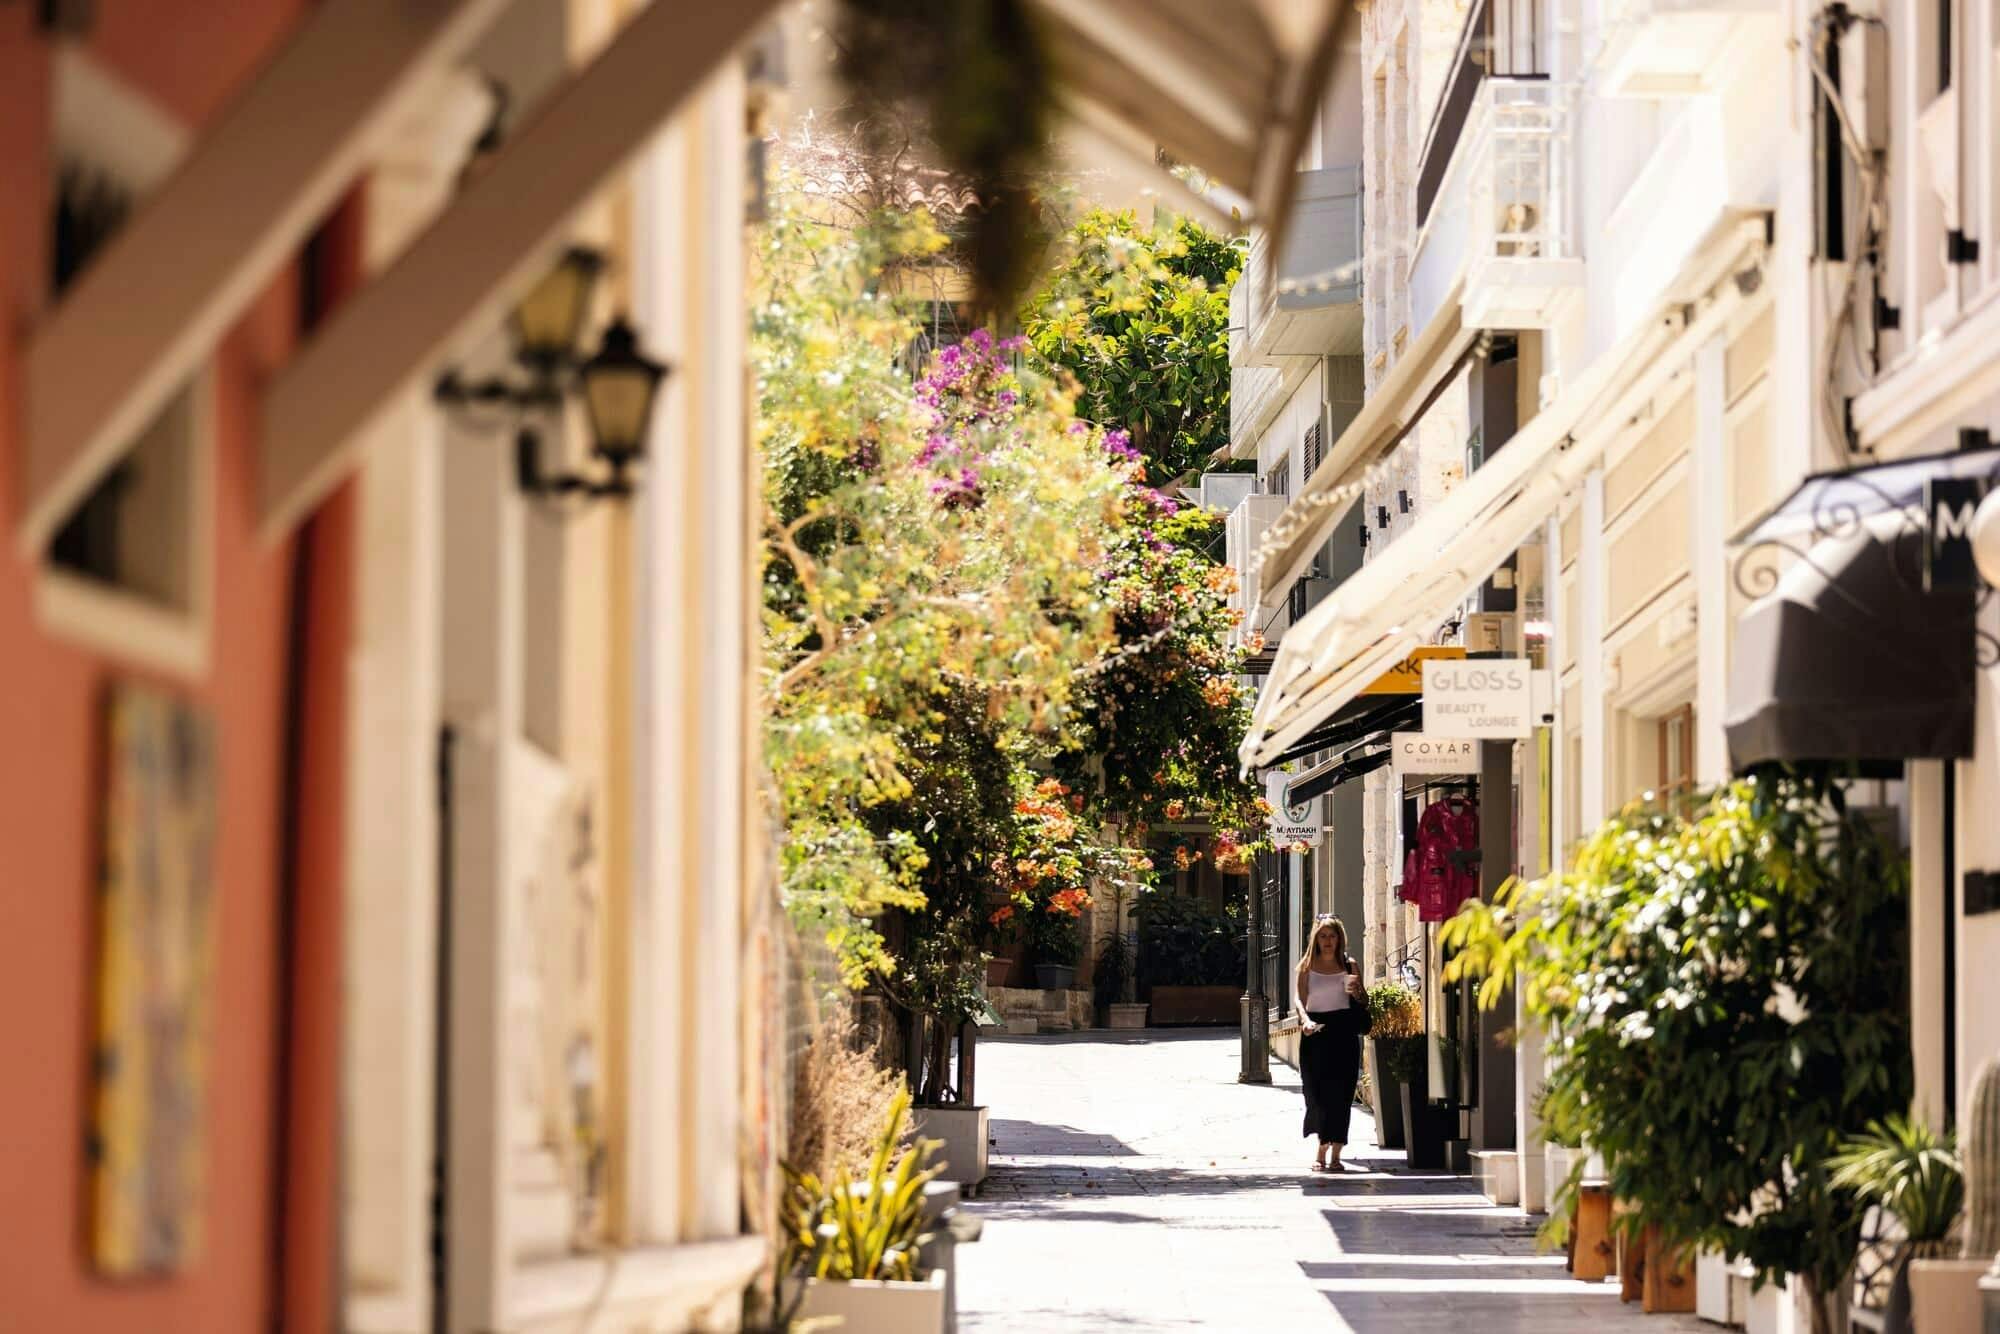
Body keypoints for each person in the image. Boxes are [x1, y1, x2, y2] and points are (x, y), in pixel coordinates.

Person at [1296, 914, 1369, 1172]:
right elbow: (1299, 999)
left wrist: (1357, 990)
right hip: (1315, 1034)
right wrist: (1304, 1021)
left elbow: (1363, 999)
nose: (1328, 941)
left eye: (1332, 936)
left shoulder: (1349, 965)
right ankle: (1322, 1143)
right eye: (1323, 936)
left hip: (1343, 1034)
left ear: (1340, 939)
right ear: (1316, 939)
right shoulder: (1306, 965)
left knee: (1340, 1095)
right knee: (1315, 1094)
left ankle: (1333, 1153)